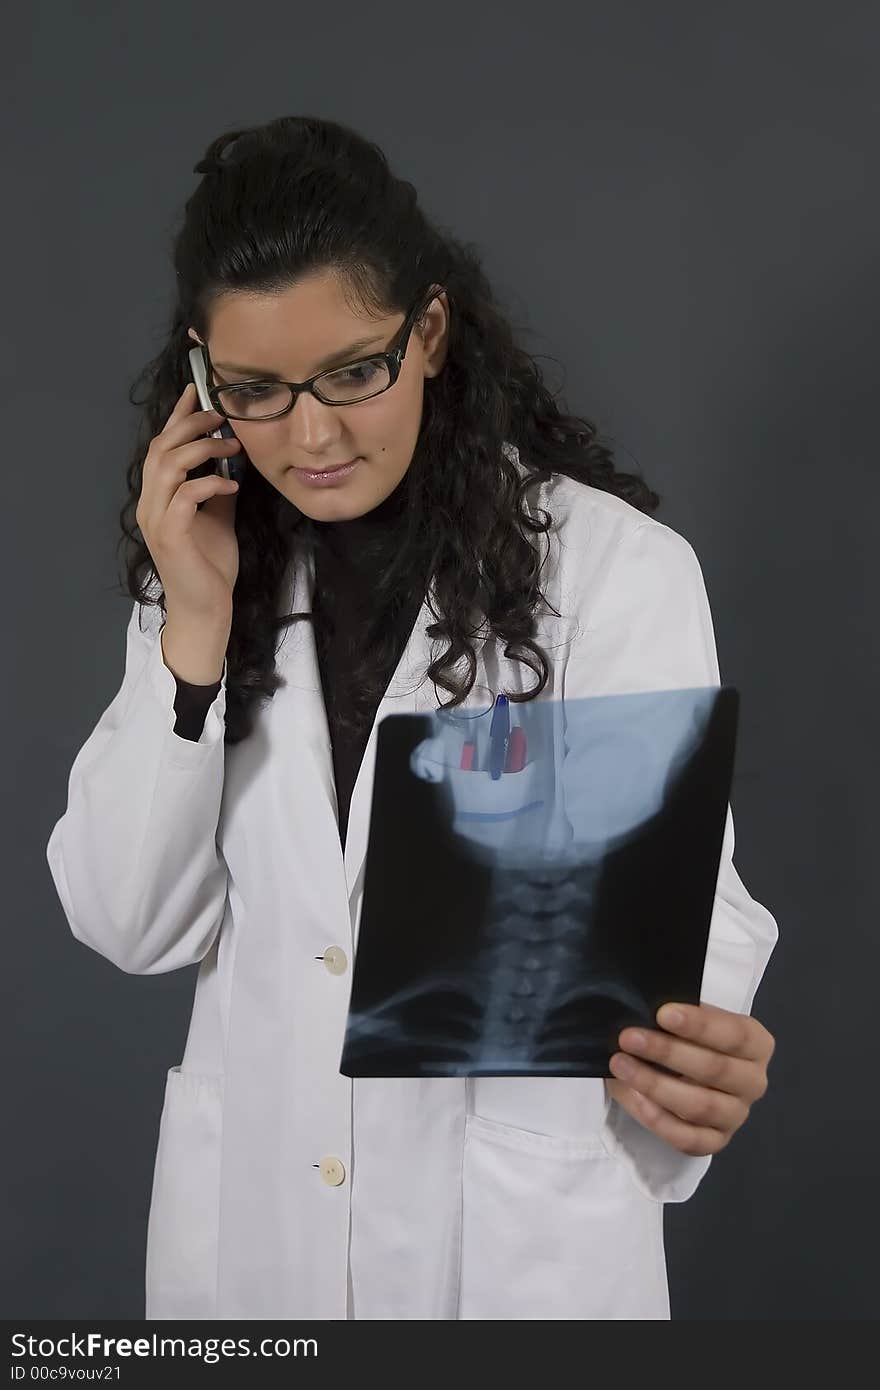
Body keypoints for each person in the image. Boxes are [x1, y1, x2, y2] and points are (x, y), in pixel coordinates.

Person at [46, 114, 778, 1321]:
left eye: (353, 371)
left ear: (428, 332)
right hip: (254, 1256)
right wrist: (189, 634)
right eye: (256, 392)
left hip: (509, 1249)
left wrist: (700, 1044)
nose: (314, 434)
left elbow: (679, 902)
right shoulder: (203, 579)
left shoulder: (609, 571)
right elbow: (131, 921)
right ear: (200, 379)